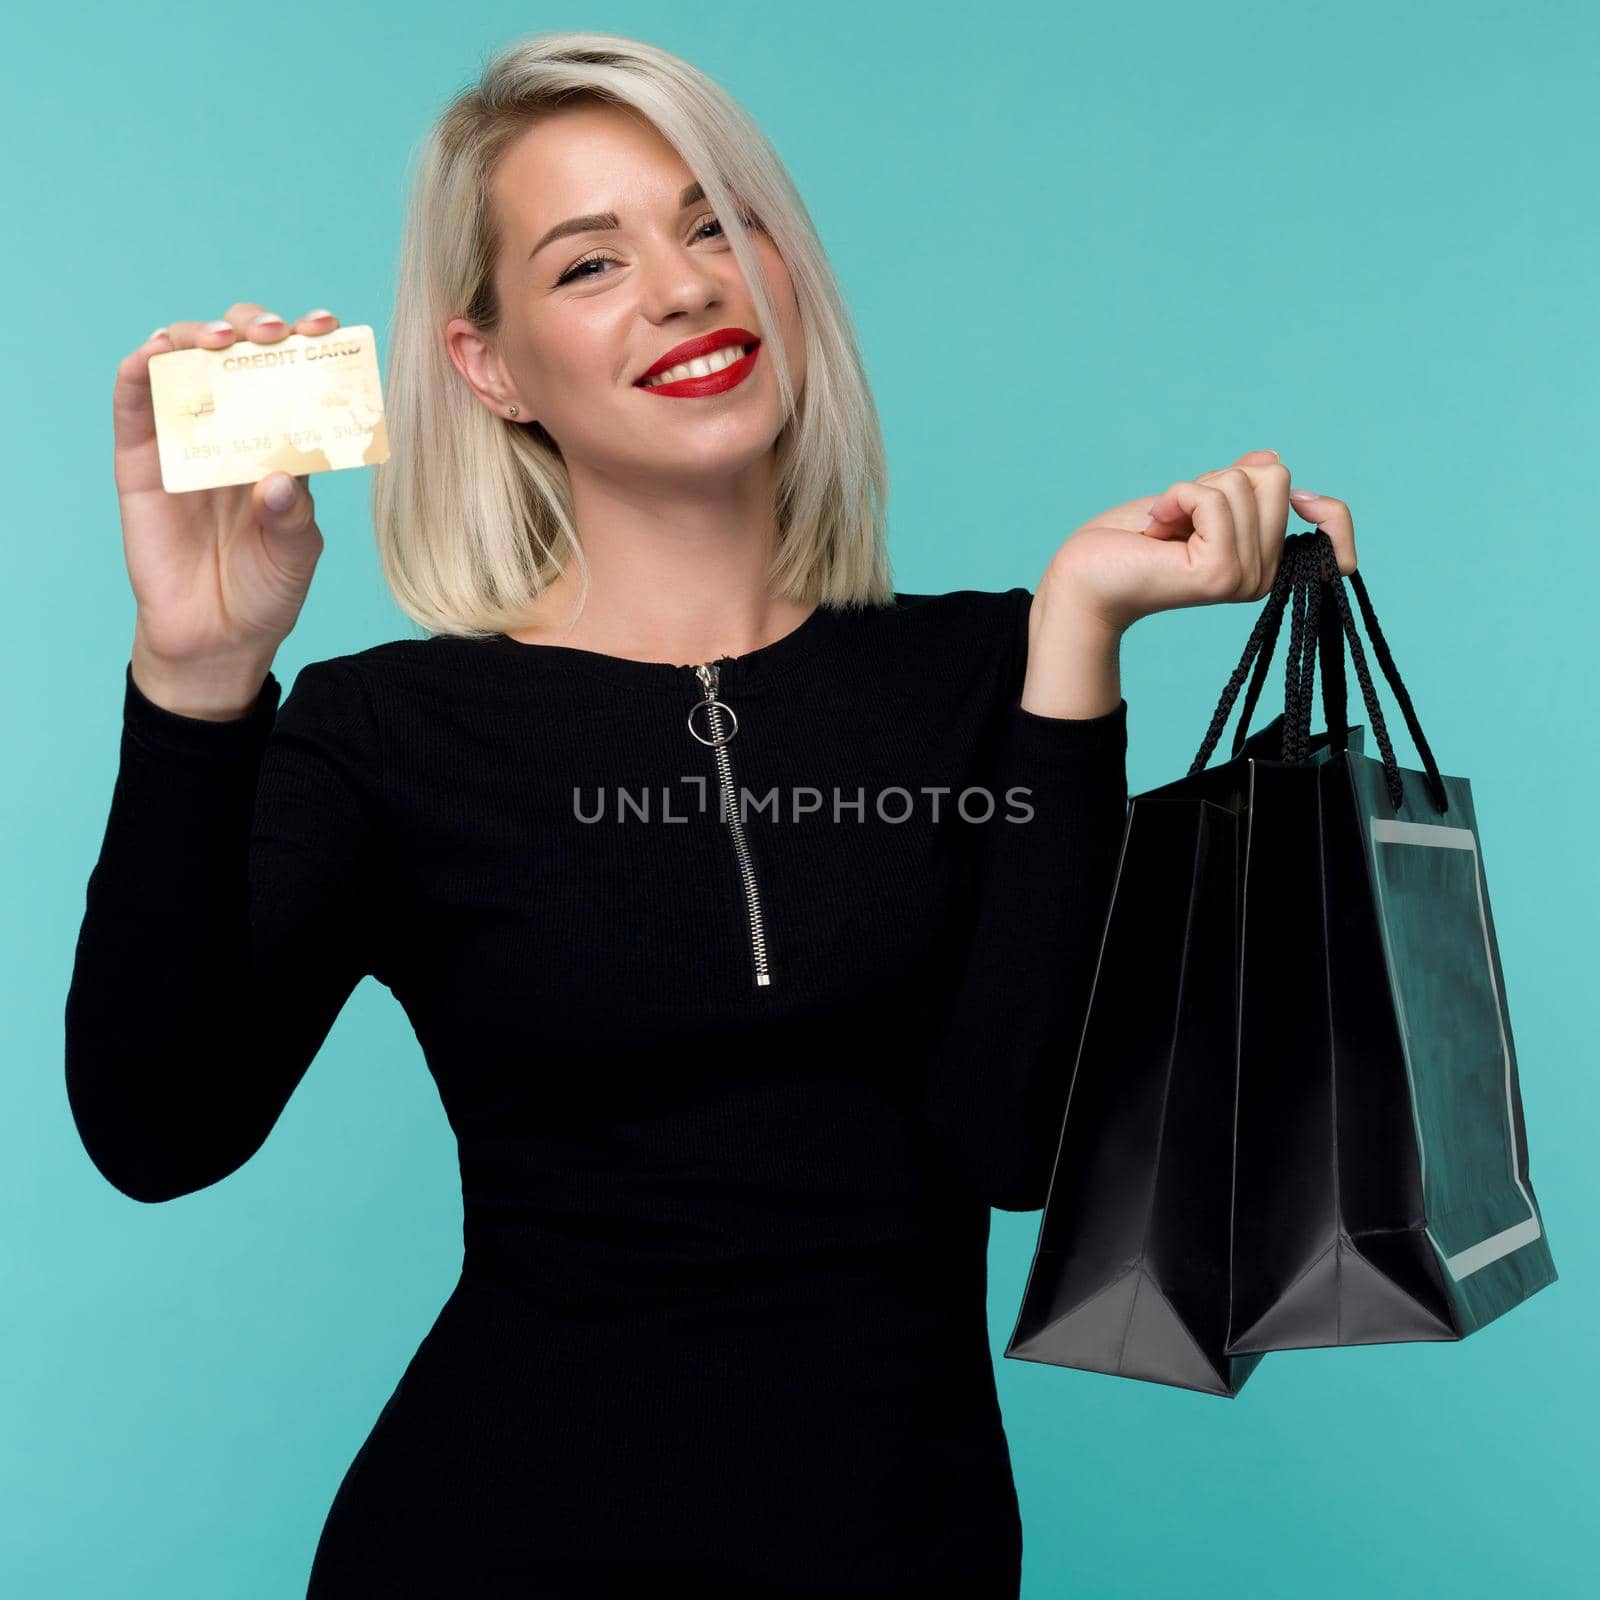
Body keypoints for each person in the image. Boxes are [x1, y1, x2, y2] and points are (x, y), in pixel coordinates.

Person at [65, 30, 1355, 1599]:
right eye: (589, 262)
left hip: (905, 1551)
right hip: (491, 1544)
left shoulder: (983, 674)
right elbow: (159, 1136)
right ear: (490, 366)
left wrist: (1076, 642)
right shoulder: (388, 730)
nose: (683, 288)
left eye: (713, 222)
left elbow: (1011, 1144)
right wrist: (198, 684)